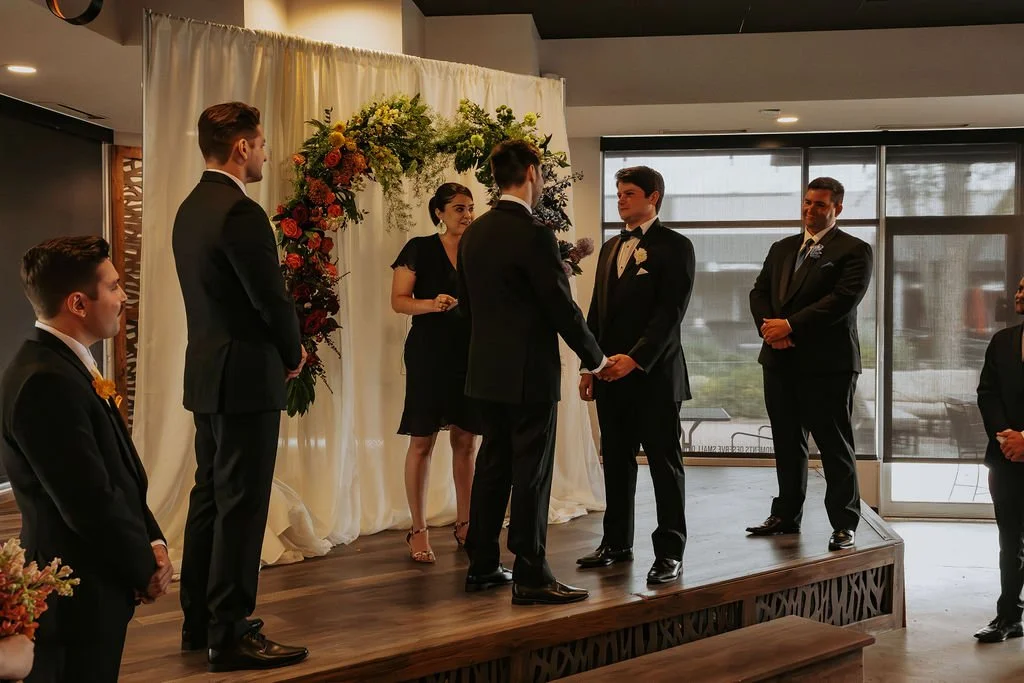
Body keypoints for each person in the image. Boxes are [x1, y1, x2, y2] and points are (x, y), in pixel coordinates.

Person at [172, 102, 308, 672]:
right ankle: (229, 632)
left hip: (207, 371)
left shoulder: (190, 208)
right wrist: (293, 352)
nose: (266, 153)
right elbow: (269, 299)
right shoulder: (240, 211)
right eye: (262, 143)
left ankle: (199, 621)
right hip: (246, 375)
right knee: (243, 505)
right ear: (241, 147)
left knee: (210, 496)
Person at [0, 236, 170, 682]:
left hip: (97, 578)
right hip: (74, 592)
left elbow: (118, 474)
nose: (123, 297)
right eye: (113, 287)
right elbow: (89, 501)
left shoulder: (65, 364)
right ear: (78, 303)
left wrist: (154, 542)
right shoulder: (44, 382)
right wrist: (143, 569)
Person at [457, 139, 610, 606]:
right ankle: (530, 574)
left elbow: (468, 308)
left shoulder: (474, 234)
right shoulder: (535, 234)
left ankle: (483, 564)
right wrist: (597, 359)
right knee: (531, 474)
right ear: (530, 172)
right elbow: (561, 308)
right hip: (528, 374)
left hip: (485, 372)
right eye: (540, 173)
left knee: (492, 465)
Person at [576, 166, 694, 585]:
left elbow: (670, 313)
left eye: (629, 193)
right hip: (610, 376)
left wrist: (636, 358)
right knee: (616, 463)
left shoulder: (676, 246)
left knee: (665, 465)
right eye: (619, 193)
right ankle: (616, 543)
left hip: (655, 376)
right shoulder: (611, 247)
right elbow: (596, 311)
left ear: (653, 197)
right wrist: (590, 365)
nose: (621, 199)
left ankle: (670, 552)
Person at [747, 177, 873, 551]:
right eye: (806, 202)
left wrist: (790, 326)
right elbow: (759, 292)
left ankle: (844, 523)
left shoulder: (854, 250)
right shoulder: (782, 248)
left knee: (834, 446)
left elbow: (842, 300)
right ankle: (786, 515)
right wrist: (771, 330)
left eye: (819, 204)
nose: (810, 209)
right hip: (778, 360)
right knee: (787, 442)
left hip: (828, 365)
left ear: (837, 208)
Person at [390, 182, 481, 563]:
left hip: (470, 353)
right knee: (422, 441)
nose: (467, 215)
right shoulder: (419, 248)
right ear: (439, 212)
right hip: (429, 353)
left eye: (470, 207)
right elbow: (398, 302)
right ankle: (418, 528)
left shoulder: (479, 249)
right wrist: (432, 303)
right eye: (459, 208)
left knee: (466, 441)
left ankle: (467, 523)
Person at [974, 276, 1024, 643]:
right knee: (1010, 541)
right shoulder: (1002, 341)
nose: (1019, 294)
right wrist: (1007, 436)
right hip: (1004, 458)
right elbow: (987, 393)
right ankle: (1008, 617)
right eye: (1019, 288)